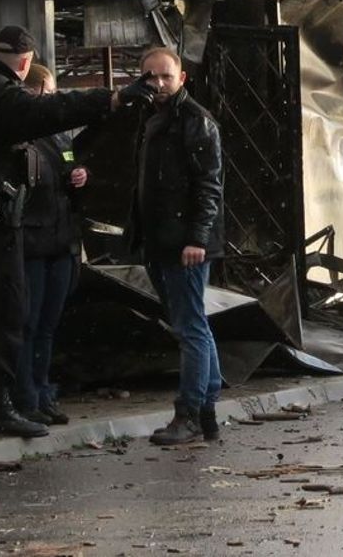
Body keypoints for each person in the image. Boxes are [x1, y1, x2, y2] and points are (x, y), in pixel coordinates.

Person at [0, 26, 151, 438]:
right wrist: (113, 98)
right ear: (25, 62)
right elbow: (53, 111)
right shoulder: (1, 96)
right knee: (5, 313)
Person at [128, 46, 226, 446]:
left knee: (190, 327)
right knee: (191, 324)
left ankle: (189, 413)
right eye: (151, 76)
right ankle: (206, 409)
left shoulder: (196, 122)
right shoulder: (148, 117)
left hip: (184, 242)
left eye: (166, 76)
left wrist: (196, 239)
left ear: (181, 78)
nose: (158, 83)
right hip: (158, 239)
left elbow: (209, 186)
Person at [15, 64, 87, 426]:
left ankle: (43, 393)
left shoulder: (62, 137)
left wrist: (80, 174)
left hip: (62, 241)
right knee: (28, 323)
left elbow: (72, 164)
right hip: (32, 242)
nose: (52, 100)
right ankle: (25, 396)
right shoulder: (19, 136)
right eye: (48, 93)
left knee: (48, 324)